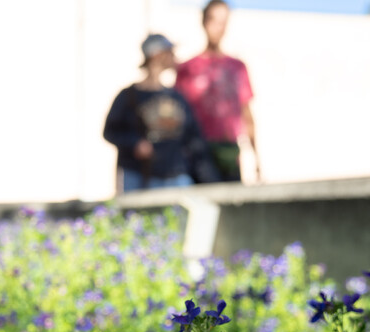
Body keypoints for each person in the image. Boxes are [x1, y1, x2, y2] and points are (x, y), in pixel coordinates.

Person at [103, 34, 220, 193]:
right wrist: (135, 143)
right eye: (169, 52)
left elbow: (194, 140)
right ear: (156, 55)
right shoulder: (128, 96)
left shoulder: (177, 97)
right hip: (139, 177)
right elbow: (110, 131)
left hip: (176, 178)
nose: (174, 57)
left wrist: (209, 178)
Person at [175, 0, 260, 183]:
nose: (219, 28)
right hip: (197, 152)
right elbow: (178, 117)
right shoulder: (187, 69)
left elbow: (247, 113)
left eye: (224, 22)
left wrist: (256, 157)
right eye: (214, 21)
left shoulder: (237, 67)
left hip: (230, 150)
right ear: (204, 22)